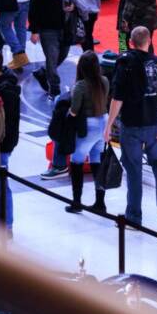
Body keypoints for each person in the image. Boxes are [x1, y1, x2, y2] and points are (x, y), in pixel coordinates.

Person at [104, 26, 157, 231]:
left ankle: (134, 217)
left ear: (130, 42)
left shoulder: (124, 63)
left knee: (134, 170)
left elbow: (117, 98)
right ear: (149, 40)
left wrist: (109, 124)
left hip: (131, 126)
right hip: (154, 125)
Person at [64, 51, 110, 214]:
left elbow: (74, 111)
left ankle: (77, 202)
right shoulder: (104, 81)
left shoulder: (80, 86)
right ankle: (100, 203)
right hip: (103, 123)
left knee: (77, 161)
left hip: (87, 125)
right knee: (97, 161)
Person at [28, 0, 69, 98]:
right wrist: (34, 30)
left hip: (63, 27)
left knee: (63, 54)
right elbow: (33, 8)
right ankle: (55, 89)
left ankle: (43, 72)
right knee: (52, 58)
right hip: (47, 29)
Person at [0, 53, 19, 230]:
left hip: (2, 146)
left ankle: (8, 226)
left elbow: (9, 123)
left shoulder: (6, 90)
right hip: (2, 143)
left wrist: (4, 145)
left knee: (1, 186)